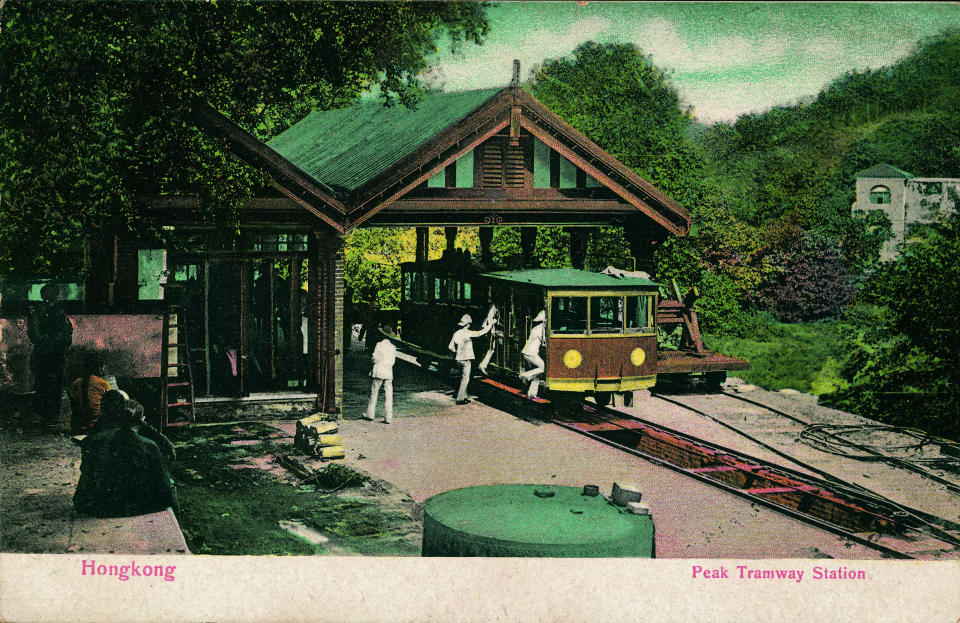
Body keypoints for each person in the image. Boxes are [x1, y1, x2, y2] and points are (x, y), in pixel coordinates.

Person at [74, 398, 179, 517]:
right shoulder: (149, 445)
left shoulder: (95, 440)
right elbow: (164, 488)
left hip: (99, 506)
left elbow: (86, 473)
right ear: (142, 421)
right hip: (136, 507)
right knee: (170, 485)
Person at [27, 284, 73, 424]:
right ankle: (49, 414)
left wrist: (48, 340)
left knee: (47, 384)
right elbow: (36, 334)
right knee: (49, 384)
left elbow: (65, 334)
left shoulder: (47, 312)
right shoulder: (54, 312)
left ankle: (48, 414)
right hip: (51, 353)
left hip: (49, 353)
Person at [448, 313, 494, 405]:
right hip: (466, 359)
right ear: (468, 324)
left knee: (463, 377)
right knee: (465, 379)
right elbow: (481, 333)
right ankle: (460, 399)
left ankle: (464, 396)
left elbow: (450, 347)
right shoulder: (468, 333)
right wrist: (490, 325)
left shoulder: (456, 333)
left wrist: (457, 351)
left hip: (458, 359)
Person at [68, 352, 111, 434]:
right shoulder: (103, 384)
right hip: (95, 427)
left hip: (77, 427)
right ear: (100, 367)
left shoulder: (75, 383)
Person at [363, 324, 397, 424]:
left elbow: (375, 358)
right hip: (388, 372)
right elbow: (393, 361)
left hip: (378, 371)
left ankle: (370, 414)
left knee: (374, 393)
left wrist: (373, 359)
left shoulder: (379, 345)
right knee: (388, 395)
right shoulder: (393, 347)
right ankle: (388, 417)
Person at [519, 311, 547, 398]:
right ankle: (524, 375)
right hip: (531, 353)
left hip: (526, 352)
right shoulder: (541, 329)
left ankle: (532, 393)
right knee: (543, 367)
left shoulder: (535, 328)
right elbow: (544, 342)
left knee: (537, 372)